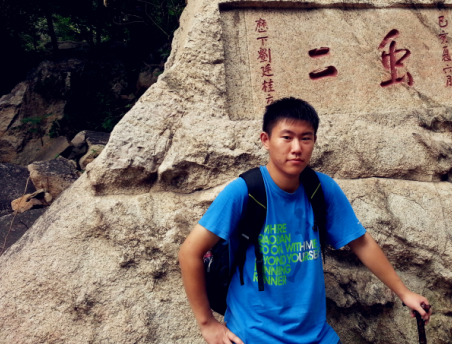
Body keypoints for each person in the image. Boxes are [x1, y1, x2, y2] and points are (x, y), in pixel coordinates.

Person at [179, 97, 432, 344]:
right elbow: (190, 252)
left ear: (314, 141)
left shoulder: (321, 188)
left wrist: (404, 293)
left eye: (305, 138)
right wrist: (207, 324)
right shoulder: (244, 191)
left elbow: (361, 242)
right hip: (253, 334)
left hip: (316, 335)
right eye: (287, 137)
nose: (297, 148)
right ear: (266, 140)